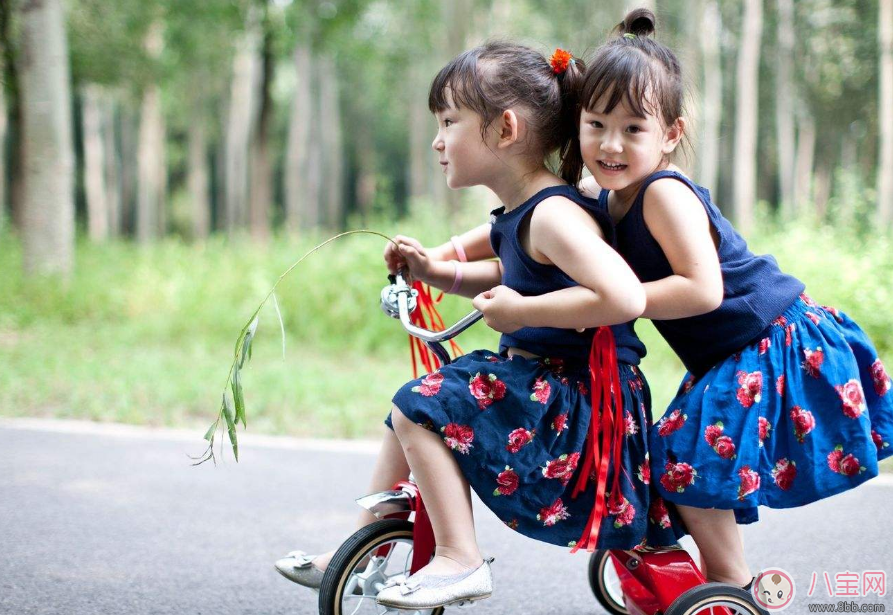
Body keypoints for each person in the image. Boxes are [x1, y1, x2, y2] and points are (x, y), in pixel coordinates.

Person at [571, 8, 893, 589]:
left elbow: (702, 288)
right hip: (731, 352)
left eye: (633, 129)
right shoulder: (607, 195)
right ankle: (699, 575)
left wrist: (619, 298)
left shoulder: (663, 194)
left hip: (769, 339)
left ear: (671, 134)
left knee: (684, 457)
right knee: (674, 455)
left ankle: (732, 584)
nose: (610, 143)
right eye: (595, 124)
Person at [375, 41, 685, 610]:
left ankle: (459, 558)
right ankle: (370, 543)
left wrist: (520, 314)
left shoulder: (553, 214)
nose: (438, 141)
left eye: (449, 122)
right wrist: (432, 271)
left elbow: (620, 297)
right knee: (410, 412)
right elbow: (510, 272)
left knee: (417, 405)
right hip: (546, 381)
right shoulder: (525, 210)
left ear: (506, 128)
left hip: (580, 399)